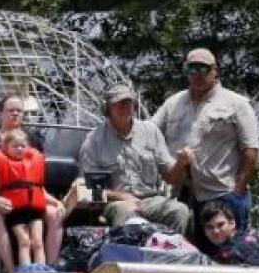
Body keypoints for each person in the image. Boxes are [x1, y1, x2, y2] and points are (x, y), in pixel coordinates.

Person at [151, 48, 259, 247]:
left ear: (215, 71)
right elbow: (149, 134)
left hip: (222, 194)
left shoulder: (236, 104)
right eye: (192, 68)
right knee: (188, 255)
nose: (197, 74)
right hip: (183, 195)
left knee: (229, 256)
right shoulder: (173, 103)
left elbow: (251, 151)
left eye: (203, 68)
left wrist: (238, 189)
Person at [78, 84, 191, 234]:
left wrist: (181, 163)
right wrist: (121, 197)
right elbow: (87, 192)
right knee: (125, 213)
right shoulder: (94, 140)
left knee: (179, 210)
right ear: (107, 110)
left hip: (151, 200)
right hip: (116, 204)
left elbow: (170, 177)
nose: (125, 107)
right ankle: (128, 256)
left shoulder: (151, 131)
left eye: (129, 103)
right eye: (119, 104)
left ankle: (170, 254)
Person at [0, 95, 64, 273]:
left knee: (55, 213)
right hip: (0, 197)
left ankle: (49, 269)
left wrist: (53, 200)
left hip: (31, 198)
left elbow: (36, 180)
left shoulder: (32, 139)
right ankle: (11, 272)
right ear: (0, 114)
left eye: (19, 110)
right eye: (10, 110)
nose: (15, 113)